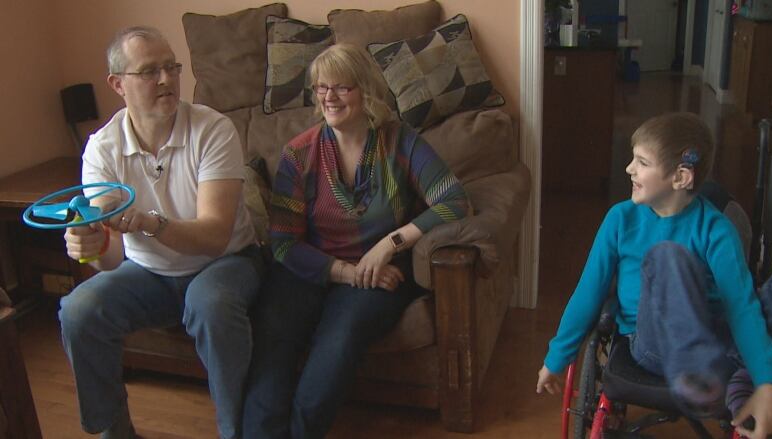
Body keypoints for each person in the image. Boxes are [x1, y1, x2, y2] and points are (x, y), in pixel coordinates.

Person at [241, 43, 469, 438]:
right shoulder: (299, 153)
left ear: (366, 90)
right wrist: (344, 272)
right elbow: (282, 243)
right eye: (320, 88)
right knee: (274, 338)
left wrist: (390, 244)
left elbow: (454, 199)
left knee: (339, 340)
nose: (329, 98)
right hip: (307, 268)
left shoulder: (400, 141)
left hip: (378, 274)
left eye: (342, 88)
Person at [60, 26, 263, 439]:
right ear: (117, 84)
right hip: (149, 272)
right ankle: (114, 431)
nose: (167, 79)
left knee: (211, 303)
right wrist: (90, 241)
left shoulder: (212, 129)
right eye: (150, 71)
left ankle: (236, 432)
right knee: (79, 310)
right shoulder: (102, 148)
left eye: (172, 67)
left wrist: (150, 224)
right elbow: (109, 258)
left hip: (227, 262)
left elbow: (214, 236)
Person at [535, 112, 772, 439]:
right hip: (650, 341)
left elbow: (741, 307)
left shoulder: (716, 229)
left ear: (680, 177)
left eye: (642, 162)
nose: (629, 169)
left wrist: (769, 381)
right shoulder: (621, 219)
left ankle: (731, 374)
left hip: (712, 341)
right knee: (667, 258)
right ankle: (716, 374)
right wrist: (557, 357)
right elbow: (588, 293)